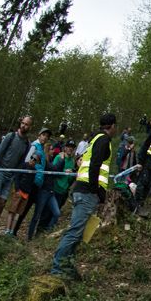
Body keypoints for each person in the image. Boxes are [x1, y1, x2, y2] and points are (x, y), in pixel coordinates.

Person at [51, 113, 115, 279]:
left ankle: (68, 267)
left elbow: (82, 161)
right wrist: (97, 190)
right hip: (87, 191)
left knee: (79, 232)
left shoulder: (93, 140)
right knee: (75, 232)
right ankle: (58, 268)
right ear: (112, 126)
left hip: (83, 190)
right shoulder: (103, 140)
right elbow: (94, 165)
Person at [0, 114, 33, 232]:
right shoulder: (11, 136)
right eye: (23, 123)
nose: (24, 126)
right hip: (0, 172)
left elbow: (21, 162)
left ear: (30, 127)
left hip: (10, 176)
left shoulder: (27, 143)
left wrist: (15, 177)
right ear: (20, 123)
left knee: (2, 203)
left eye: (27, 124)